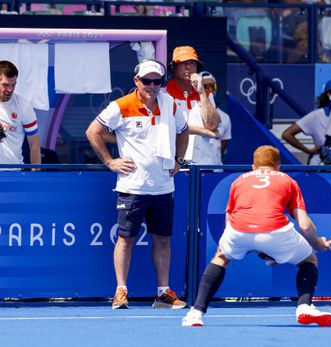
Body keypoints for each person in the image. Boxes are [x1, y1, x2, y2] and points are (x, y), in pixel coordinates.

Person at [181, 145, 331, 327]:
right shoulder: (288, 180)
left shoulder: (239, 180)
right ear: (278, 166)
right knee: (309, 260)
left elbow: (229, 221)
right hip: (275, 230)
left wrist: (254, 245)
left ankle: (196, 313)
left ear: (253, 166)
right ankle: (304, 306)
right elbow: (304, 225)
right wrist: (316, 242)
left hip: (238, 230)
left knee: (221, 257)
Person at [85, 59, 190, 310]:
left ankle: (163, 293)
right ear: (137, 81)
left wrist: (179, 160)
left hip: (164, 186)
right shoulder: (120, 106)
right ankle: (121, 291)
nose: (152, 86)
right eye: (147, 81)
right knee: (126, 239)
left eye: (157, 81)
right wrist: (110, 162)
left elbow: (184, 130)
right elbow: (92, 131)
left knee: (163, 239)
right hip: (133, 187)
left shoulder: (170, 104)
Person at [165, 46, 221, 163]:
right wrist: (205, 132)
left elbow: (213, 125)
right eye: (183, 63)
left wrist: (201, 92)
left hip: (203, 163)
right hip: (174, 164)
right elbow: (171, 126)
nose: (188, 66)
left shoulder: (205, 94)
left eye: (192, 63)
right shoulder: (164, 94)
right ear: (173, 67)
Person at [281, 78, 331, 165]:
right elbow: (287, 134)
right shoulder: (317, 115)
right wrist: (308, 151)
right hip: (321, 161)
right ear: (329, 94)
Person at [0, 60, 41, 167]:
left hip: (13, 172)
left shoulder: (23, 105)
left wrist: (36, 173)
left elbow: (34, 143)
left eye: (13, 84)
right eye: (5, 85)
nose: (10, 89)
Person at [198, 71, 232, 165]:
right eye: (205, 87)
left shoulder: (225, 117)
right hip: (197, 170)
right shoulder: (191, 112)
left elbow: (224, 144)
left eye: (212, 86)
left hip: (216, 169)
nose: (210, 90)